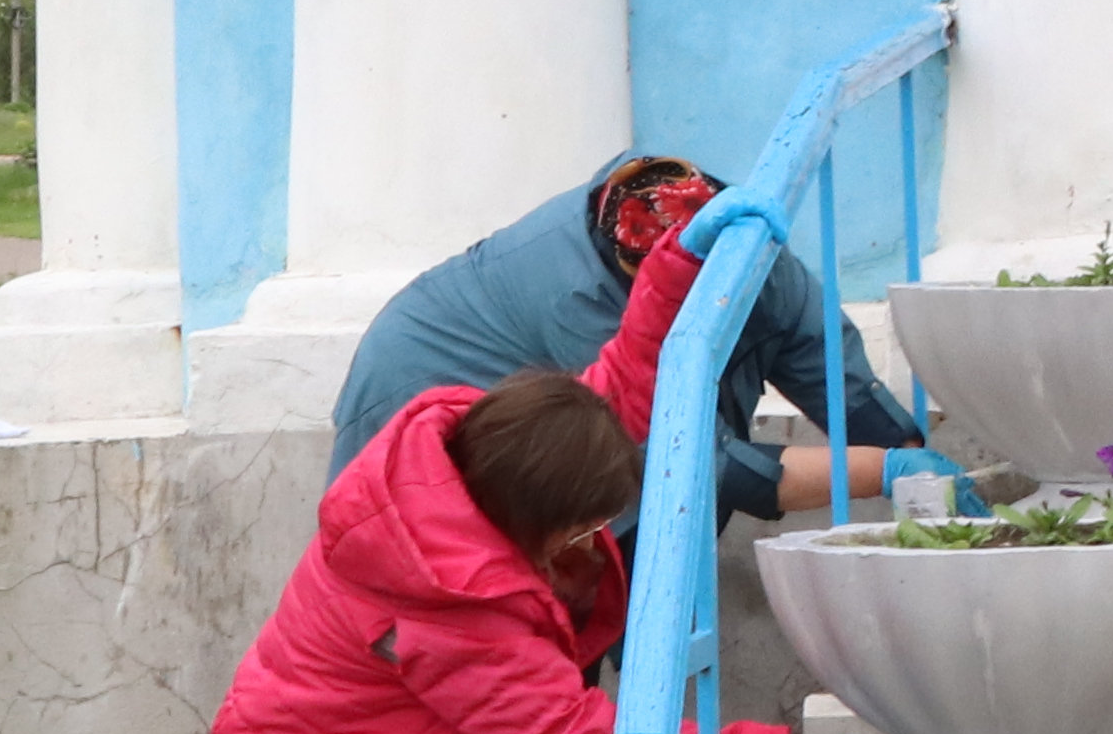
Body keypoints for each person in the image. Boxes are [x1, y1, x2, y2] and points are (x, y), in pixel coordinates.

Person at [214, 209, 896, 734]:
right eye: (587, 527)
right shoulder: (446, 596)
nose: (595, 541)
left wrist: (679, 261)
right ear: (541, 520)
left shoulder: (474, 464)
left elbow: (619, 389)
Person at [327, 155, 948, 524]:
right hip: (424, 409)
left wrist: (903, 446)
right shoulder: (579, 300)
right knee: (490, 601)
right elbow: (678, 458)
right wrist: (881, 472)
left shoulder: (740, 239)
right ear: (633, 277)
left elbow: (814, 345)